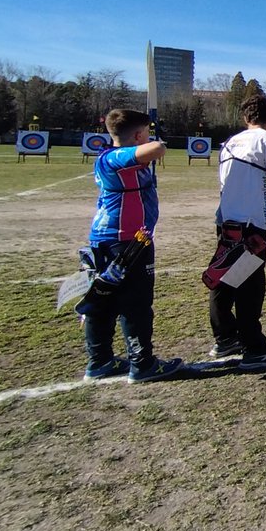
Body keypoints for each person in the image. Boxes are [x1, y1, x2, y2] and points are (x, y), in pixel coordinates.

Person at [78, 108, 182, 383]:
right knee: (134, 303)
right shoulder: (114, 157)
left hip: (115, 239)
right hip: (125, 242)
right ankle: (142, 363)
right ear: (137, 136)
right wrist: (155, 140)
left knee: (106, 301)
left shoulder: (117, 159)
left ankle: (100, 361)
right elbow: (158, 149)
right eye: (145, 133)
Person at [211, 95, 266, 369]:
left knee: (225, 276)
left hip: (226, 220)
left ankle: (225, 337)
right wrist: (263, 217)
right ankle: (253, 348)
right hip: (250, 223)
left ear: (246, 118)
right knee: (251, 286)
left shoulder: (230, 142)